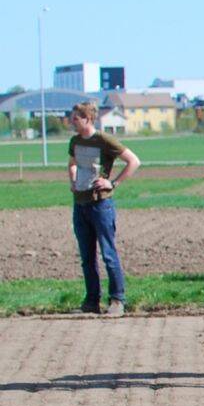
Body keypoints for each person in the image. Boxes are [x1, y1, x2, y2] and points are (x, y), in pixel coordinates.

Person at [66, 100, 140, 316]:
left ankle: (117, 300)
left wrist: (112, 183)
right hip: (80, 204)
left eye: (76, 118)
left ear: (87, 119)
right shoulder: (75, 141)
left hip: (100, 205)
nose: (72, 122)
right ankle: (91, 302)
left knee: (108, 253)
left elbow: (134, 161)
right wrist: (72, 180)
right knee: (87, 257)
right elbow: (72, 163)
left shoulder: (104, 140)